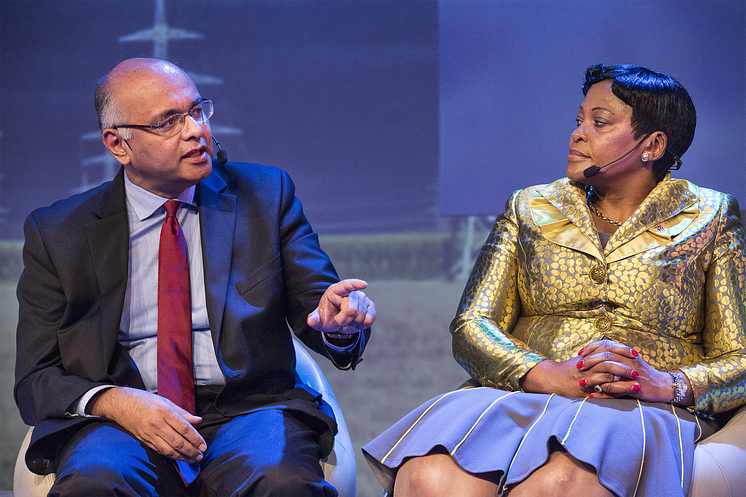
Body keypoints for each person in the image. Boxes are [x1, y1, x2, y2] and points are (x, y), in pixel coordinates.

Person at [362, 64, 746, 497]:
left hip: (635, 407)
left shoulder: (711, 216)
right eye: (578, 120)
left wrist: (667, 383)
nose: (578, 134)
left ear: (653, 145)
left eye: (599, 123)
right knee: (429, 477)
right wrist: (544, 373)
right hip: (529, 393)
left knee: (559, 483)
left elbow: (740, 356)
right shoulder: (530, 206)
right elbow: (472, 324)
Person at [14, 57, 375, 497]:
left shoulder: (264, 196)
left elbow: (318, 305)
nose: (195, 130)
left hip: (249, 410)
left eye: (197, 110)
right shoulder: (58, 232)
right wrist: (115, 402)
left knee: (282, 482)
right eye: (168, 121)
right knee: (94, 483)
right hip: (121, 419)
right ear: (118, 144)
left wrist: (338, 325)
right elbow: (36, 377)